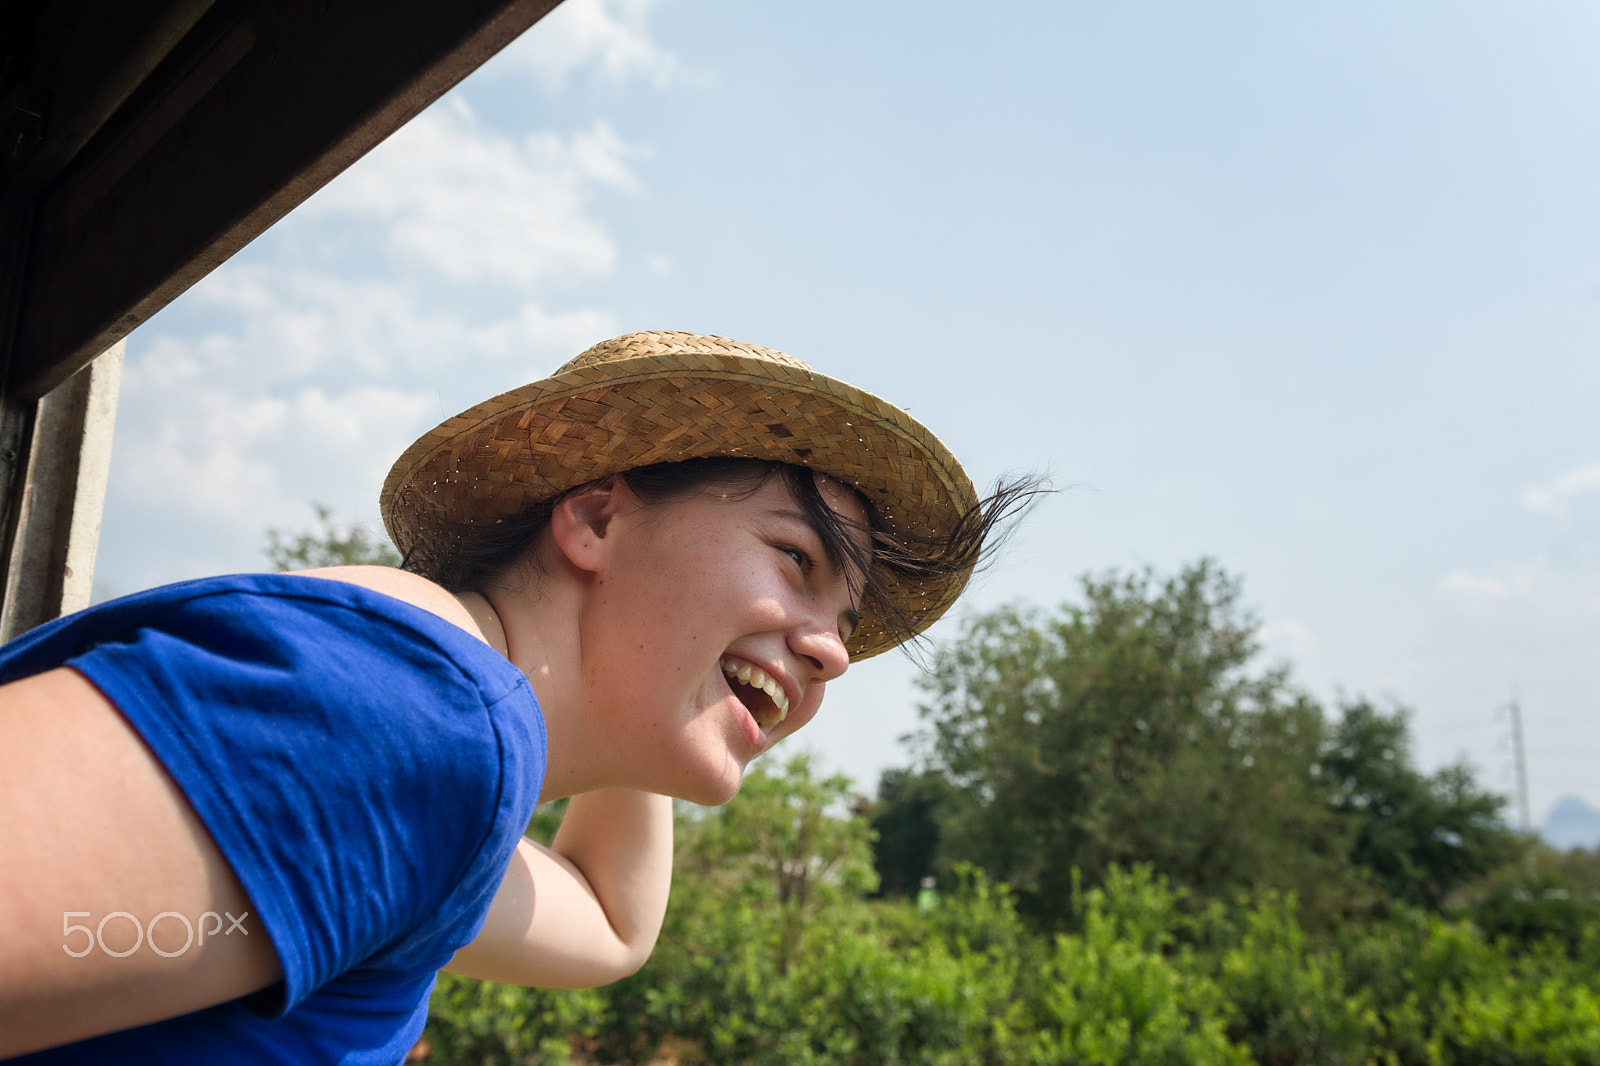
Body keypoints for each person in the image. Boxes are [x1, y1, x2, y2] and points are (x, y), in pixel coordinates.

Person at [0, 331, 1033, 1063]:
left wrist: (658, 691)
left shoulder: (438, 781)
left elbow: (610, 924)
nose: (834, 654)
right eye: (796, 558)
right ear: (594, 520)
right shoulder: (407, 720)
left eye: (845, 621)